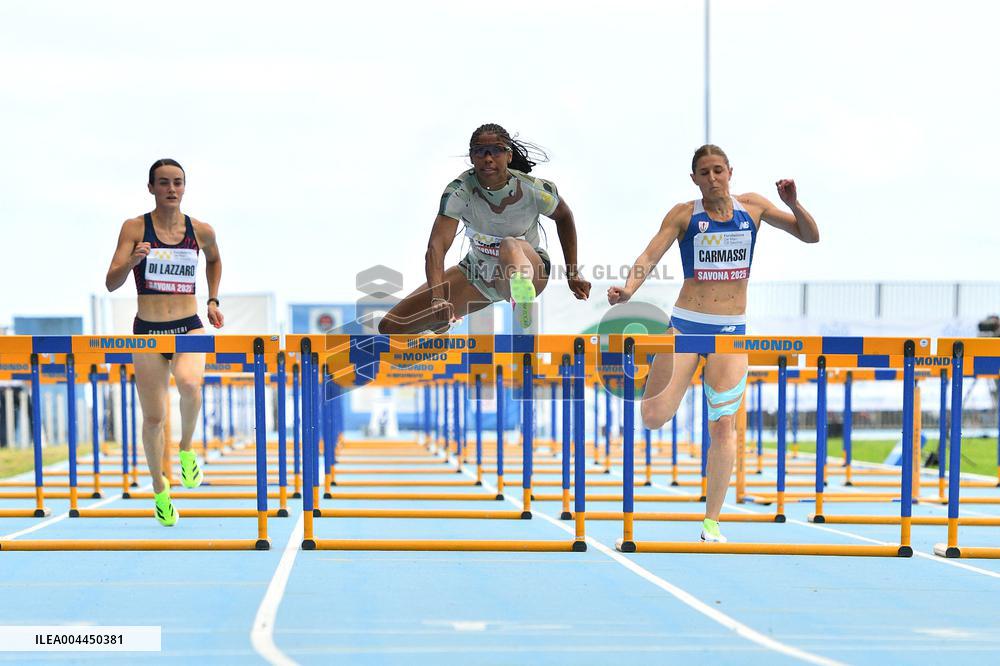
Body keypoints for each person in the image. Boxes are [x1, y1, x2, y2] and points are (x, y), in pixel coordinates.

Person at [607, 144, 819, 542]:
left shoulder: (753, 208)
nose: (712, 179)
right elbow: (650, 254)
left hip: (730, 332)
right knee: (653, 417)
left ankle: (711, 522)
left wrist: (794, 203)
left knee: (723, 427)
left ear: (730, 172)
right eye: (704, 173)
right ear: (694, 179)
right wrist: (629, 290)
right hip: (686, 326)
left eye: (718, 170)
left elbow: (810, 236)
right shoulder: (684, 214)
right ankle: (664, 380)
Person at [378, 123, 591, 334]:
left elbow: (564, 216)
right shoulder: (459, 192)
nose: (488, 158)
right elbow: (436, 248)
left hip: (531, 270)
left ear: (508, 155)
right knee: (390, 327)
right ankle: (438, 331)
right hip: (480, 276)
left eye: (496, 150)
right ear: (472, 157)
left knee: (509, 244)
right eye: (480, 152)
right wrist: (438, 298)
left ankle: (521, 297)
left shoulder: (532, 189)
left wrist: (572, 273)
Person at [105, 159, 224, 526]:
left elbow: (215, 260)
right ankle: (159, 488)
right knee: (154, 418)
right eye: (163, 183)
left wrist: (213, 299)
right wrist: (132, 261)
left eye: (177, 183)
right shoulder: (135, 227)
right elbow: (110, 282)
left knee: (190, 385)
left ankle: (187, 450)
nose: (171, 189)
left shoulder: (200, 230)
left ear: (184, 188)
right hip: (148, 333)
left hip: (188, 325)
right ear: (151, 187)